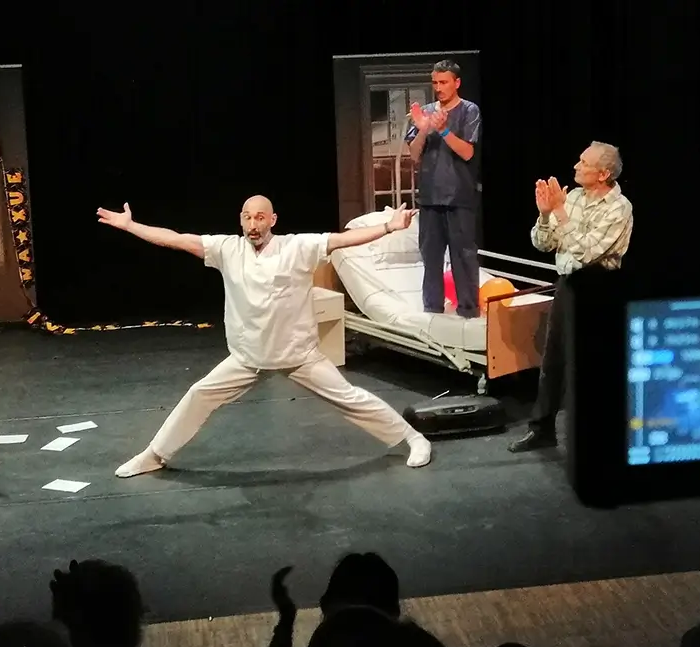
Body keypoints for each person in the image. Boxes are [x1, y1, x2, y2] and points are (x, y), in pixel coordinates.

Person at [96, 196, 433, 477]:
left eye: (259, 217)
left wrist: (390, 226)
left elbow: (341, 239)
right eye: (246, 217)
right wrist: (130, 226)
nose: (253, 224)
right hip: (248, 357)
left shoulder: (298, 246)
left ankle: (413, 438)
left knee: (350, 397)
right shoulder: (226, 250)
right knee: (199, 394)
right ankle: (155, 455)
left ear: (272, 219)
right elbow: (177, 238)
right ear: (240, 221)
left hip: (298, 354)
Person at [509, 142, 635, 453]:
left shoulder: (619, 208)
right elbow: (543, 243)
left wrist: (561, 213)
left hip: (601, 286)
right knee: (553, 360)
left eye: (584, 162)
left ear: (603, 173)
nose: (576, 166)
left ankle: (601, 436)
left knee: (594, 363)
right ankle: (542, 429)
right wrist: (544, 215)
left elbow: (589, 251)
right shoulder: (573, 197)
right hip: (569, 284)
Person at [404, 59, 484, 318]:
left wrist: (444, 129)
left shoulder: (469, 110)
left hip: (459, 196)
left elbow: (468, 152)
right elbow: (414, 155)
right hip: (430, 197)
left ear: (456, 83)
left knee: (463, 256)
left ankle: (469, 310)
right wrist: (424, 129)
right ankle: (433, 308)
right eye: (435, 82)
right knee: (431, 257)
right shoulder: (424, 112)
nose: (438, 87)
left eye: (444, 82)